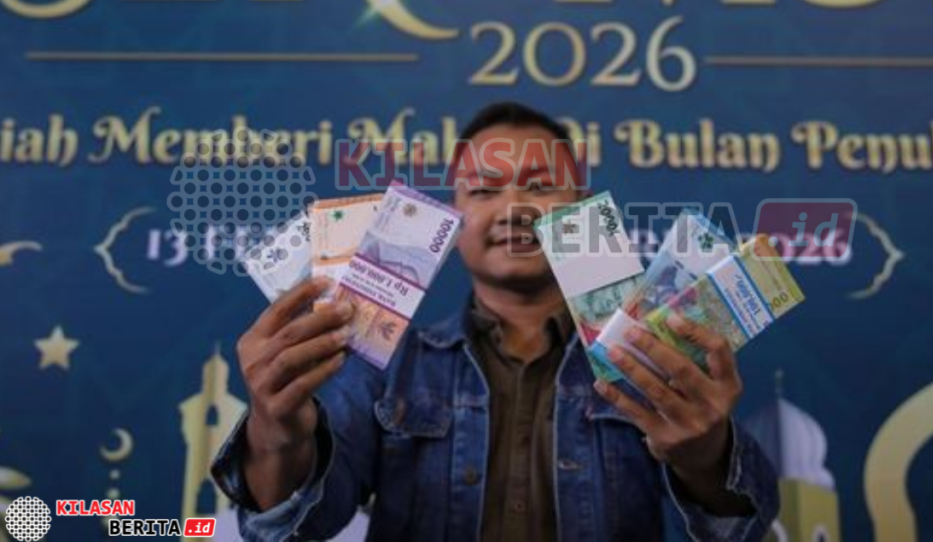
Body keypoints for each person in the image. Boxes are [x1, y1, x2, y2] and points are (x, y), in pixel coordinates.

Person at [212, 102, 780, 541]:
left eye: (540, 186)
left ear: (583, 207)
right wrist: (276, 432)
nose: (513, 208)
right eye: (483, 190)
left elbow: (743, 527)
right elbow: (291, 528)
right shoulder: (384, 363)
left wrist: (706, 455)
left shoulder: (653, 356)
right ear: (452, 219)